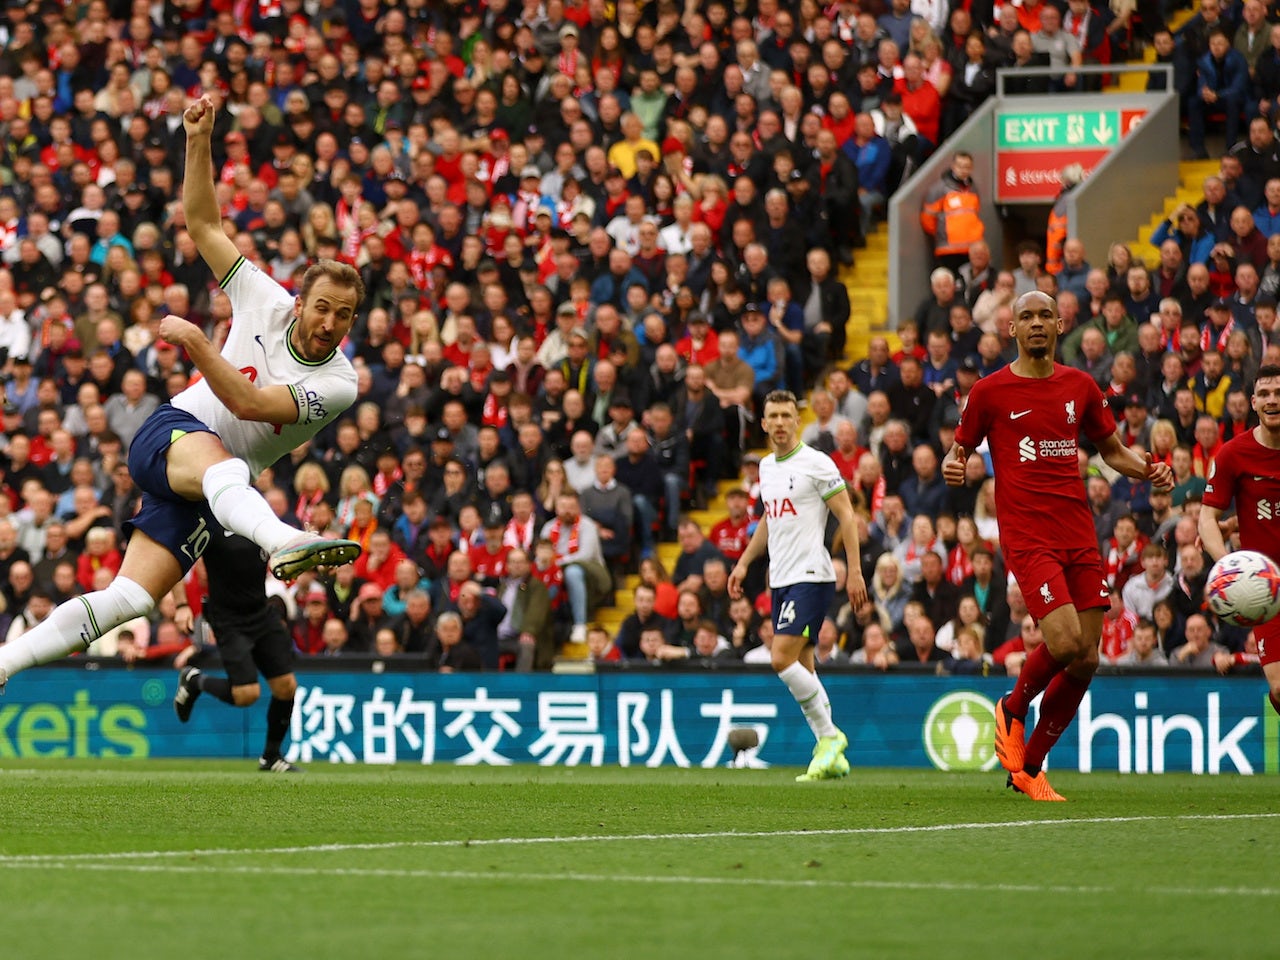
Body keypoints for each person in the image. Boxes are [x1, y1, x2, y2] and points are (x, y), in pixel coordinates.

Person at [0, 96, 366, 692]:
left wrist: (199, 343)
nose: (330, 323)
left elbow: (251, 406)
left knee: (130, 600)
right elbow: (203, 226)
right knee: (228, 472)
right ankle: (286, 541)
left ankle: (4, 663)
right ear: (301, 303)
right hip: (171, 435)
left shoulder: (340, 384)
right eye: (323, 307)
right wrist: (199, 140)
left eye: (344, 315)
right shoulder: (264, 298)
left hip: (216, 489)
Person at [944, 291, 1173, 801]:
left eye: (1046, 315)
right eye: (1026, 317)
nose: (1037, 324)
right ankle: (1012, 707)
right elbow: (957, 453)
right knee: (1065, 641)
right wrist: (953, 464)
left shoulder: (1081, 385)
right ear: (1013, 330)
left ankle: (1028, 767)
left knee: (1087, 658)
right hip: (1029, 537)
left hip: (1078, 532)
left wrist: (1150, 469)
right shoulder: (989, 391)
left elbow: (1111, 451)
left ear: (1061, 323)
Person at [728, 389, 868, 782]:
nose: (779, 422)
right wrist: (743, 563)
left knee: (780, 658)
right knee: (804, 667)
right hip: (782, 579)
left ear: (796, 420)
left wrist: (854, 571)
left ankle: (829, 737)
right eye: (772, 415)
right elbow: (770, 521)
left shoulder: (817, 463)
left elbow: (847, 516)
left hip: (811, 575)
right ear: (764, 422)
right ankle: (831, 757)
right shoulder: (768, 468)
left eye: (786, 415)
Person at [171, 533, 301, 772]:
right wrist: (180, 605)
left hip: (261, 613)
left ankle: (271, 757)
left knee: (286, 686)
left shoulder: (257, 518)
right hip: (228, 620)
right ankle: (195, 680)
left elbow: (287, 546)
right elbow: (175, 561)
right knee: (246, 695)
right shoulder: (209, 523)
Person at [1199, 364, 1280, 722]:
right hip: (1266, 588)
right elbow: (1206, 519)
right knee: (1279, 688)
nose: (1272, 400)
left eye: (1278, 393)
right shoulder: (1234, 454)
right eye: (1264, 394)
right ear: (1253, 403)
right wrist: (1229, 565)